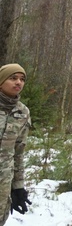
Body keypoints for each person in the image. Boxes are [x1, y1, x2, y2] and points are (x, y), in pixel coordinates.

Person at [0, 64, 30, 224]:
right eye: (13, 78)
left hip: (3, 182)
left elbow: (18, 152)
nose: (18, 82)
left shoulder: (23, 112)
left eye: (22, 79)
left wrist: (18, 186)